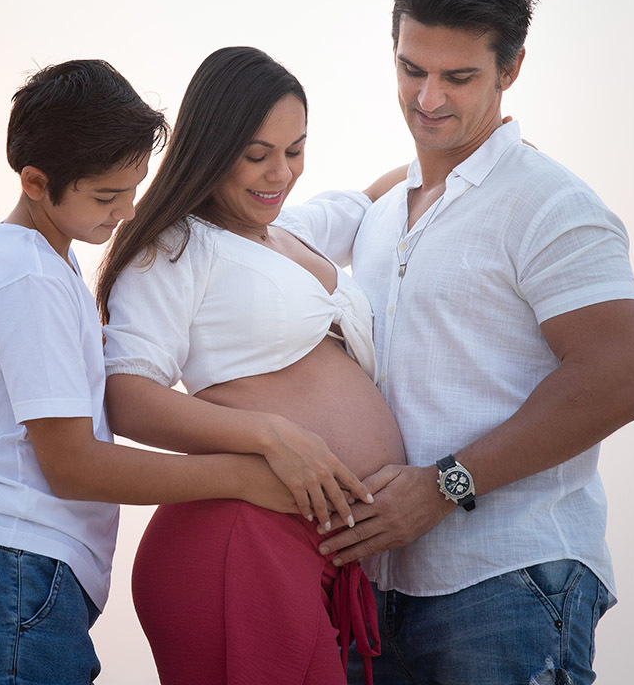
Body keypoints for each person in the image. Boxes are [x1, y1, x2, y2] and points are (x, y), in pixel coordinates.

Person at [0, 59, 313, 685]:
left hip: (15, 566)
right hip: (10, 562)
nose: (126, 211)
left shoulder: (45, 264)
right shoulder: (30, 278)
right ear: (36, 182)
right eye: (105, 196)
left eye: (133, 188)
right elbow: (72, 465)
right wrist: (241, 477)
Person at [315, 0, 634, 684]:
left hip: (510, 580)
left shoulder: (550, 202)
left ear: (511, 68)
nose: (428, 97)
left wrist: (445, 487)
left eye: (458, 77)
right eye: (411, 69)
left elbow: (617, 380)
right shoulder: (381, 214)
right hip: (376, 591)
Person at [96, 46, 408, 685]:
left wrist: (483, 157)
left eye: (295, 149)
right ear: (211, 148)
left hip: (312, 555)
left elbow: (372, 197)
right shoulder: (176, 245)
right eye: (257, 154)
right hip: (239, 540)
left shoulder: (292, 230)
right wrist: (271, 436)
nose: (280, 172)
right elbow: (126, 394)